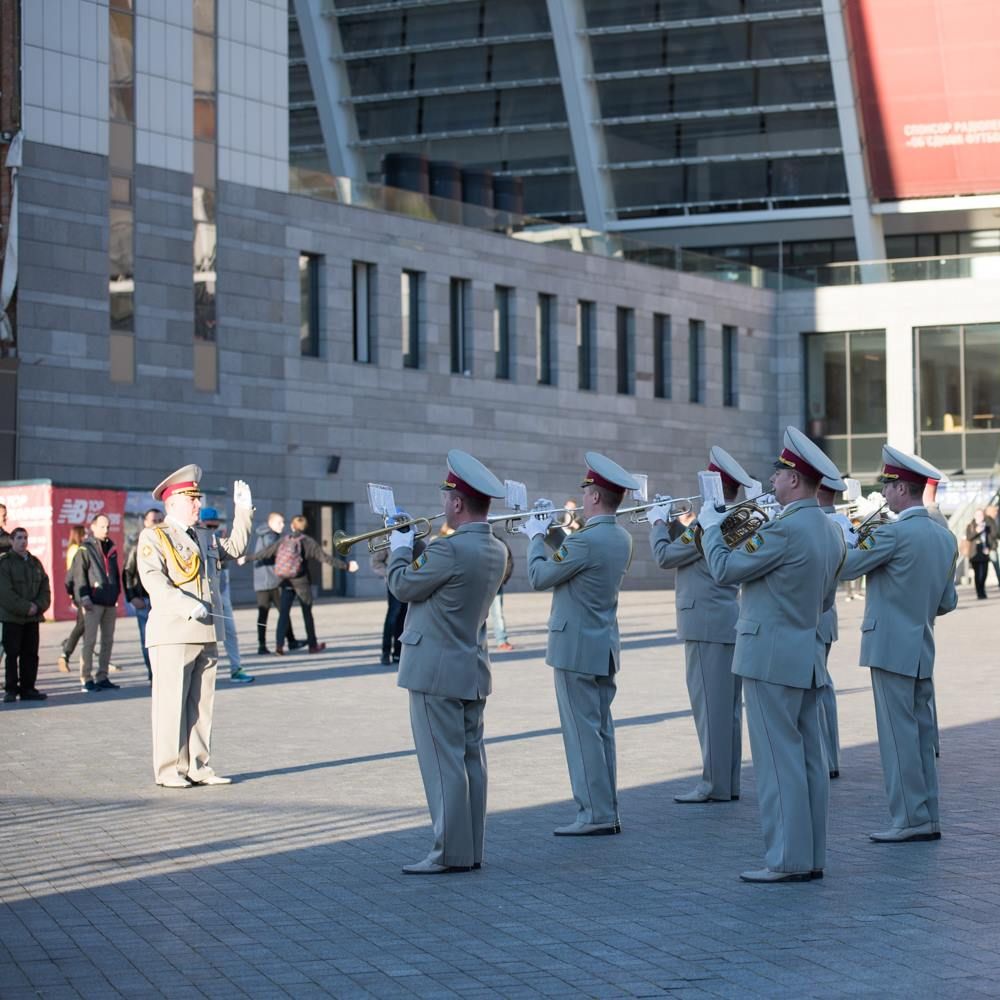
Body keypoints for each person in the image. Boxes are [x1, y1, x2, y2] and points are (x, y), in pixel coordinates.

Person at [698, 427, 845, 883]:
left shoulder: (783, 529)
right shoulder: (828, 529)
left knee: (778, 764)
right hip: (804, 652)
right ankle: (810, 853)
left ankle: (786, 859)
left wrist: (709, 529)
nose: (773, 478)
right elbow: (822, 602)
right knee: (808, 762)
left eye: (779, 471)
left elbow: (723, 570)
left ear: (796, 480)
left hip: (769, 655)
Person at [387, 450, 508, 874]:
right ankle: (470, 849)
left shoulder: (450, 549)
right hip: (469, 668)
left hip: (434, 669)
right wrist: (418, 546)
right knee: (470, 763)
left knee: (442, 766)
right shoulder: (494, 549)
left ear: (457, 502)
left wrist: (400, 548)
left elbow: (403, 586)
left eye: (446, 498)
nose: (442, 505)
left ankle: (448, 852)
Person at [839, 446, 958, 843]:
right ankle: (927, 814)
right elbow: (947, 602)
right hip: (921, 645)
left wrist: (846, 535)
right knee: (922, 737)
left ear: (902, 490)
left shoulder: (893, 532)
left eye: (889, 486)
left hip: (889, 646)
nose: (885, 494)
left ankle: (909, 819)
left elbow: (847, 568)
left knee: (896, 738)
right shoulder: (944, 537)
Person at [524, 452, 636, 837]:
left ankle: (594, 814)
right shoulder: (619, 535)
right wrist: (553, 531)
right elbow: (574, 558)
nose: (584, 495)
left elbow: (540, 575)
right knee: (600, 730)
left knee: (581, 734)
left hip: (575, 647)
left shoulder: (587, 540)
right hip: (601, 644)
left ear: (593, 497)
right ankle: (606, 808)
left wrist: (536, 535)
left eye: (587, 489)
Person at [648, 446, 755, 804]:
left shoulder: (711, 522)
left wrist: (658, 521)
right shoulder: (730, 519)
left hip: (706, 623)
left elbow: (665, 555)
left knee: (711, 711)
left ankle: (714, 785)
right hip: (722, 621)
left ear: (711, 486)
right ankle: (727, 783)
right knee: (726, 713)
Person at [137, 464, 253, 788]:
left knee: (202, 706)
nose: (197, 505)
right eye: (192, 500)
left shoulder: (204, 535)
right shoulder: (155, 536)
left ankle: (198, 766)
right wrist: (187, 605)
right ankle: (168, 769)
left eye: (197, 499)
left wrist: (244, 511)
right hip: (174, 632)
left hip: (206, 632)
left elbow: (235, 549)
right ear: (172, 502)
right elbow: (154, 580)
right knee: (170, 705)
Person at [248, 515, 358, 654]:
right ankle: (312, 645)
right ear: (305, 527)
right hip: (302, 582)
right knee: (307, 613)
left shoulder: (284, 539)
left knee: (284, 614)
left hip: (286, 581)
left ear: (292, 526)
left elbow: (265, 552)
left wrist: (246, 558)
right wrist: (346, 566)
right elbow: (326, 558)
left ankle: (279, 646)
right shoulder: (308, 542)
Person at [816, 473, 854, 780]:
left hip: (811, 617)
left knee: (814, 689)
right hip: (825, 618)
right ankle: (829, 757)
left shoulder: (822, 524)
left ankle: (823, 757)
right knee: (822, 687)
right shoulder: (837, 522)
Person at [199, 507, 254, 684]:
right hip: (202, 594)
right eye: (209, 526)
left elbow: (233, 554)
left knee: (230, 631)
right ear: (201, 523)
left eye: (215, 526)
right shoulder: (196, 538)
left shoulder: (219, 538)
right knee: (202, 635)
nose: (212, 529)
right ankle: (198, 672)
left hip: (221, 590)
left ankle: (236, 668)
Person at [0, 527, 51, 703]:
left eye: (25, 538)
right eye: (19, 538)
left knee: (30, 655)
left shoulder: (35, 563)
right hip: (12, 618)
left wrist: (38, 606)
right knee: (12, 655)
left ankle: (28, 688)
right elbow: (5, 593)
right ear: (12, 541)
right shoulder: (5, 564)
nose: (23, 541)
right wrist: (25, 607)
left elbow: (45, 588)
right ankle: (11, 690)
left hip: (32, 618)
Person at [72, 513, 122, 693]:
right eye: (102, 526)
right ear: (92, 527)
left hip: (109, 601)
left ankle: (102, 676)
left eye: (108, 526)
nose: (106, 529)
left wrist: (117, 592)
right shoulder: (85, 549)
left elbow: (115, 573)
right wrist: (84, 597)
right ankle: (86, 679)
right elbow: (79, 576)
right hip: (93, 602)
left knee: (107, 640)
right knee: (90, 641)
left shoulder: (111, 547)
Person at [251, 513, 301, 655]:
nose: (282, 525)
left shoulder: (263, 534)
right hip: (274, 581)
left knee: (263, 614)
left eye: (283, 522)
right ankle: (291, 642)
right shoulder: (271, 536)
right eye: (279, 523)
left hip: (261, 581)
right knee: (283, 612)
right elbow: (272, 552)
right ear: (271, 523)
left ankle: (262, 645)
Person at [123, 510, 163, 681]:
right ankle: (153, 674)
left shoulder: (169, 542)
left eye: (161, 520)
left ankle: (164, 674)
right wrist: (132, 597)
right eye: (154, 520)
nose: (157, 523)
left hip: (164, 600)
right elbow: (127, 572)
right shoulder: (137, 546)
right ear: (145, 522)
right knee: (148, 640)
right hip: (145, 601)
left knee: (166, 640)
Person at [57, 524, 87, 674]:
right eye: (84, 534)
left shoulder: (75, 549)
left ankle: (73, 652)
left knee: (85, 625)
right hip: (80, 591)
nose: (86, 536)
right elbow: (74, 573)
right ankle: (66, 652)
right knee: (82, 625)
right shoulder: (76, 550)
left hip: (78, 591)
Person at [370, 544, 406, 665]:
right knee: (393, 616)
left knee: (404, 617)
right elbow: (375, 562)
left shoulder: (414, 536)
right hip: (394, 582)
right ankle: (386, 652)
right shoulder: (388, 536)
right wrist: (390, 573)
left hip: (410, 581)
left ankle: (398, 652)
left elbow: (422, 558)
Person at [488, 536, 514, 652]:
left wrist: (502, 579)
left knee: (498, 614)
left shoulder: (499, 542)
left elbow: (509, 561)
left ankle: (502, 640)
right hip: (477, 584)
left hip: (495, 584)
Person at [965, 509, 996, 600]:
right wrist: (977, 531)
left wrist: (989, 548)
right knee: (978, 574)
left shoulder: (987, 526)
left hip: (985, 552)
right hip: (974, 553)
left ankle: (982, 590)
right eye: (978, 515)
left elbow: (991, 538)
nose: (980, 517)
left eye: (981, 515)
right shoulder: (970, 526)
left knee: (984, 574)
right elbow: (969, 537)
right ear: (975, 516)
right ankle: (979, 592)